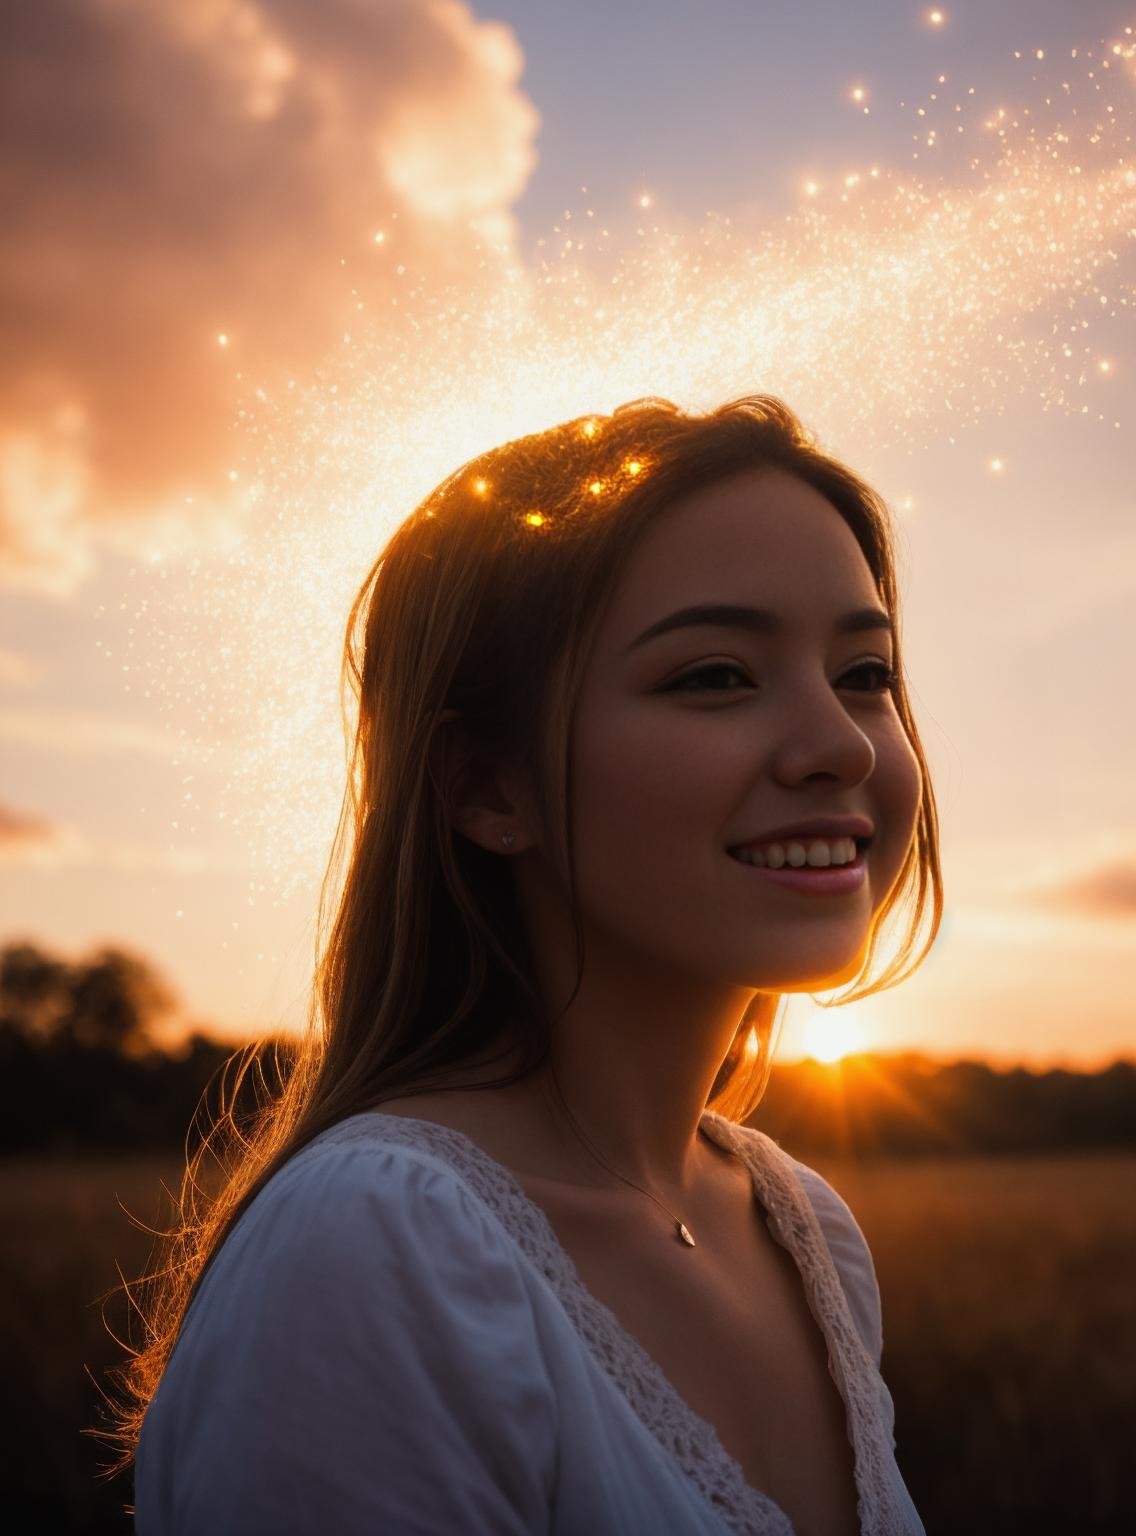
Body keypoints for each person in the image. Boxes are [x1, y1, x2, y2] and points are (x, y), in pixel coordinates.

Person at [123, 395, 940, 1534]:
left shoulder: (806, 1233)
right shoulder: (375, 1250)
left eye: (866, 673)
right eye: (715, 675)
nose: (844, 743)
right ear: (486, 787)